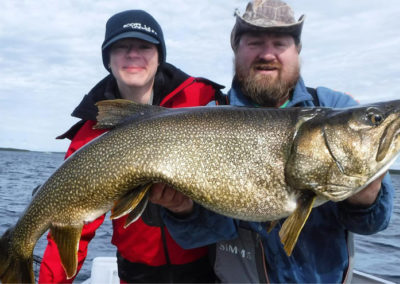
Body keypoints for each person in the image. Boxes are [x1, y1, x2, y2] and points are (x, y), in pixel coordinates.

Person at [151, 0, 395, 283]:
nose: (267, 54)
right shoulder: (209, 118)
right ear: (236, 48)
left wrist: (364, 200)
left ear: (297, 50)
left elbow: (374, 223)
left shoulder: (335, 105)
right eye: (254, 42)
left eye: (280, 43)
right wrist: (183, 210)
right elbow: (199, 237)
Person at [38, 10, 223, 283]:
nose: (133, 54)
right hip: (136, 273)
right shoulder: (91, 133)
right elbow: (71, 224)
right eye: (121, 47)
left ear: (160, 56)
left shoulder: (202, 100)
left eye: (144, 46)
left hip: (204, 267)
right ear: (108, 60)